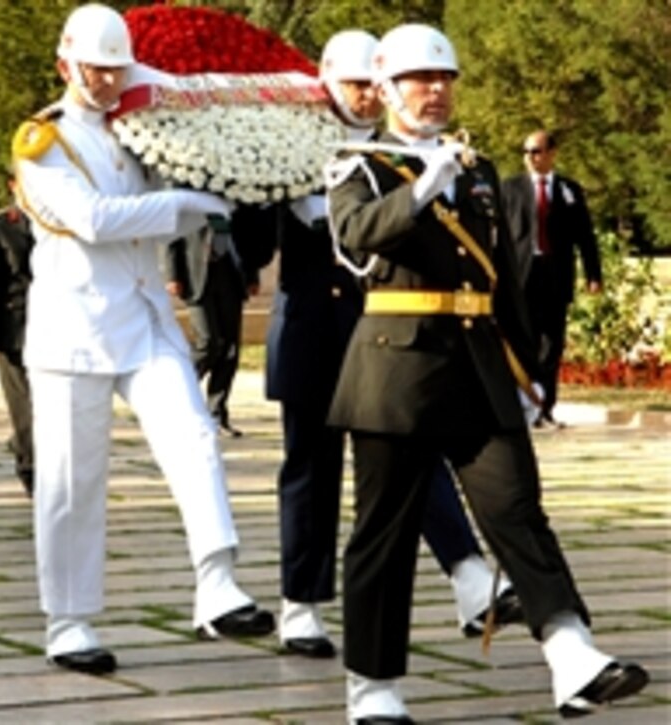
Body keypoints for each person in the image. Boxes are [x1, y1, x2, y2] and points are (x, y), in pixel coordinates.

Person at [325, 24, 647, 722]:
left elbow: (499, 281)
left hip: (476, 366)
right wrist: (419, 190)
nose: (435, 90)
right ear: (384, 88)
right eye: (418, 79)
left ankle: (573, 656)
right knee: (385, 530)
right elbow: (354, 241)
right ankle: (373, 686)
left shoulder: (473, 167)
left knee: (518, 513)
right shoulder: (361, 165)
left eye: (444, 78)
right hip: (395, 371)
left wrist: (531, 375)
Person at [12, 3, 274, 675]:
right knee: (74, 481)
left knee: (193, 433)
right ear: (65, 65)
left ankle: (216, 582)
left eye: (115, 70)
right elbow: (94, 219)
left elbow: (186, 93)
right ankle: (69, 621)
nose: (105, 82)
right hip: (74, 330)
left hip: (144, 318)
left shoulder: (137, 122)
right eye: (94, 70)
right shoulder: (42, 142)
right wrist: (185, 205)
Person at [257, 29, 521, 662]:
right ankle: (302, 602)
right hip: (317, 331)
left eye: (372, 86)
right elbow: (272, 234)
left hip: (387, 331)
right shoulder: (290, 143)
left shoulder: (401, 153)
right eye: (353, 87)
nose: (367, 99)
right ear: (328, 84)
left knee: (419, 457)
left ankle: (468, 576)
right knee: (312, 469)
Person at [502, 130, 602, 427]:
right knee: (523, 341)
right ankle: (522, 405)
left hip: (555, 276)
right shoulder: (509, 189)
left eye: (536, 151)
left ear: (551, 153)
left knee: (551, 344)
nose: (530, 157)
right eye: (526, 151)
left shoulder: (568, 190)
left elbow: (585, 236)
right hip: (521, 276)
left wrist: (593, 274)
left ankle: (545, 406)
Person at [165, 212, 257, 438]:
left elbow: (249, 234)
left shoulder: (236, 190)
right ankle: (177, 393)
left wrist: (252, 275)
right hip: (197, 274)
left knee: (230, 348)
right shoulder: (190, 184)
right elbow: (172, 235)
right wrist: (173, 274)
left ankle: (216, 413)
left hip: (231, 275)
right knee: (208, 342)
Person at [0, 177, 36, 496]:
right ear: (13, 184)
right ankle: (30, 466)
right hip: (14, 324)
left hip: (53, 324)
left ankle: (26, 447)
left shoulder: (57, 223)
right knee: (22, 403)